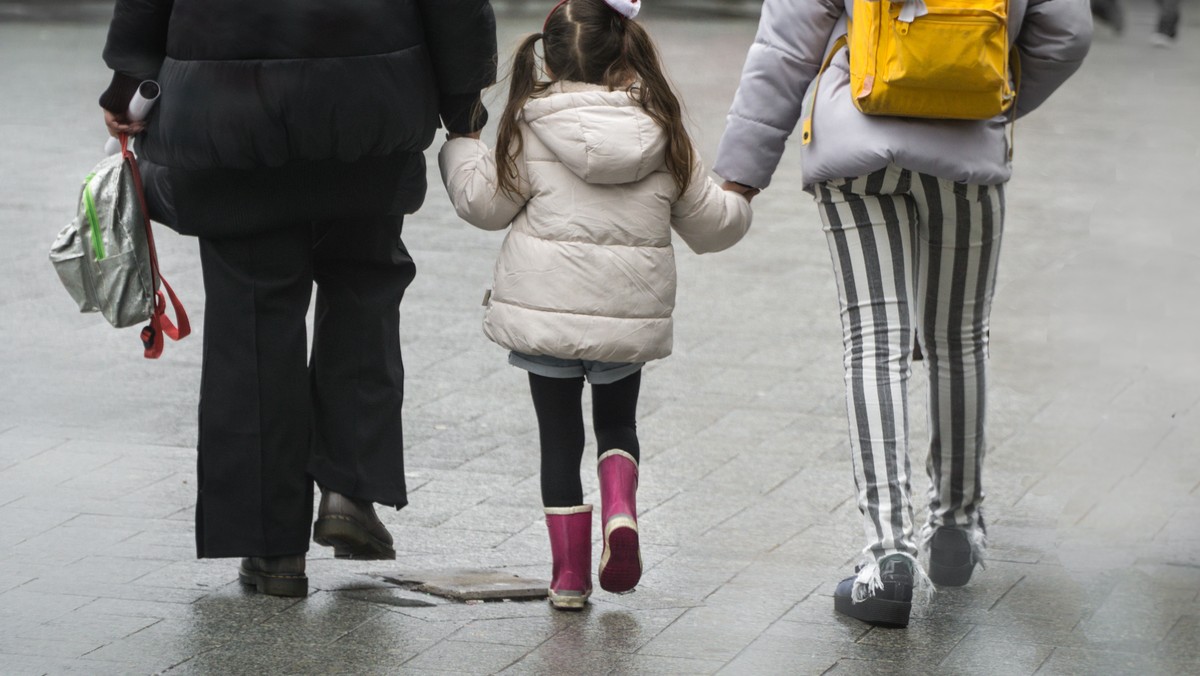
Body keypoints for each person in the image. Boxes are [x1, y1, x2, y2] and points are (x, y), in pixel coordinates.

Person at [99, 0, 498, 597]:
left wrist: (130, 83)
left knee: (251, 315)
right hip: (369, 101)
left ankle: (271, 548)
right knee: (364, 287)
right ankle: (349, 488)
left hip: (229, 109)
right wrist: (462, 98)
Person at [715, 0, 1091, 627]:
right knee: (960, 341)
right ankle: (957, 524)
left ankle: (887, 556)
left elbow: (785, 44)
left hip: (857, 147)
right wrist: (980, 95)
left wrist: (741, 173)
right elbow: (1069, 32)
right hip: (968, 157)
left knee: (873, 341)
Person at [438, 0, 753, 610]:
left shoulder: (530, 124)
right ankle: (621, 510)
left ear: (549, 60)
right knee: (616, 425)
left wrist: (462, 144)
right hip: (625, 317)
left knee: (559, 442)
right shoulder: (663, 127)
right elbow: (712, 226)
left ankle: (569, 581)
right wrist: (742, 193)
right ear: (626, 49)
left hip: (544, 316)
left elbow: (484, 206)